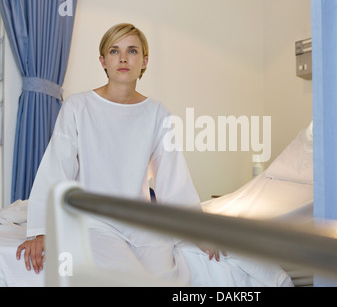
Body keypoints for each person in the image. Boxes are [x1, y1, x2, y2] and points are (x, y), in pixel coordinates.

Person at [16, 23, 224, 281]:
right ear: (103, 61)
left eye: (132, 51)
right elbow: (56, 168)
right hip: (92, 221)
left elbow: (173, 178)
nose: (123, 58)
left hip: (143, 224)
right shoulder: (78, 107)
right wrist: (41, 230)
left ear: (144, 61)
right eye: (114, 51)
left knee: (167, 277)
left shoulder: (157, 113)